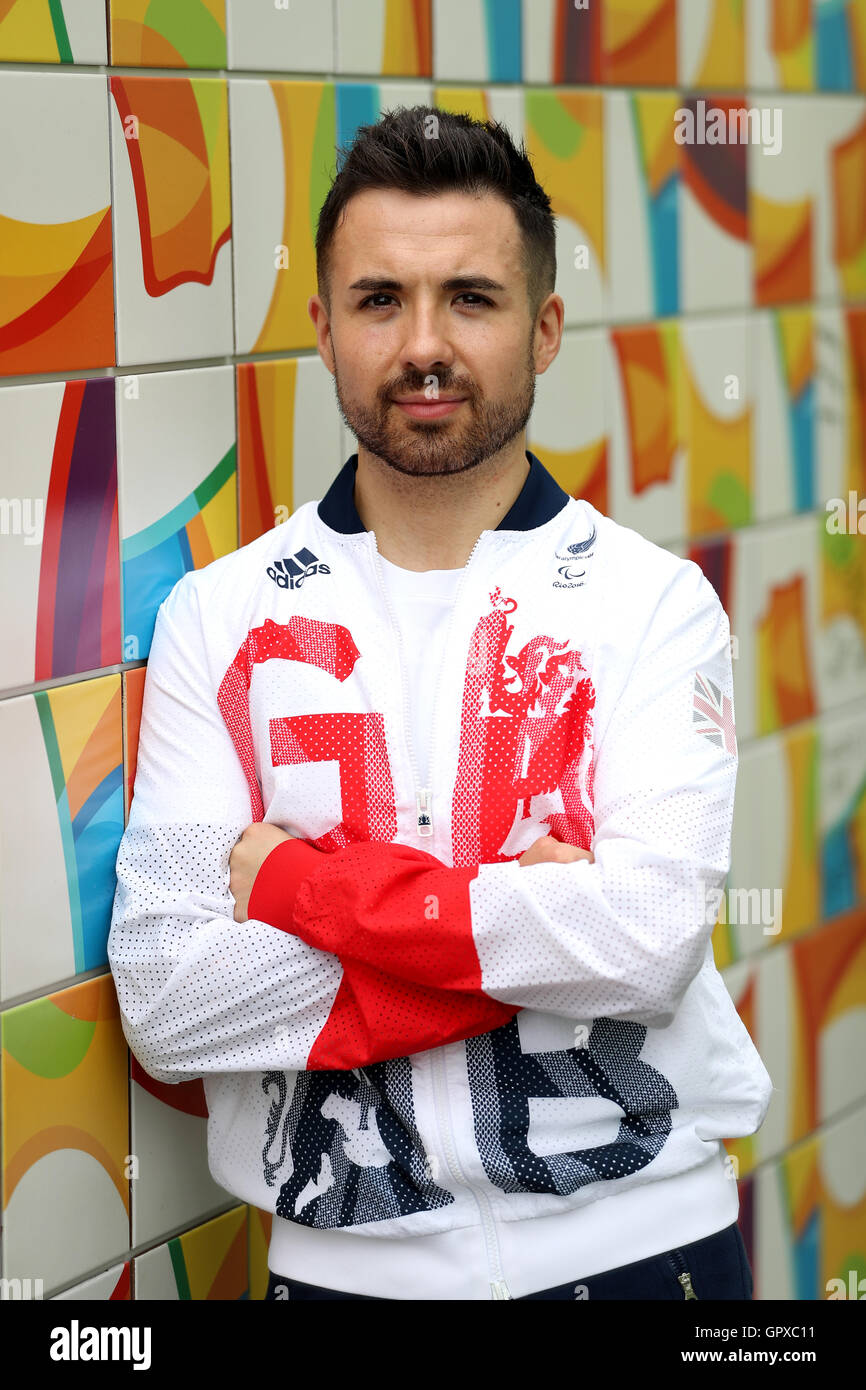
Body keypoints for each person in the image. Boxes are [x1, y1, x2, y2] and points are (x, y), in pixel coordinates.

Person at [107, 106, 772, 1301]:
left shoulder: (651, 604)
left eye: (469, 297)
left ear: (544, 326)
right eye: (379, 301)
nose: (424, 345)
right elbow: (169, 995)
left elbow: (647, 940)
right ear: (320, 328)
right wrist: (530, 934)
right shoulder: (221, 618)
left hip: (641, 1251)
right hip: (344, 1269)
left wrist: (304, 892)